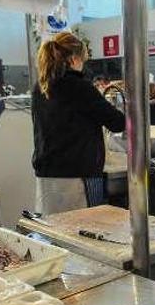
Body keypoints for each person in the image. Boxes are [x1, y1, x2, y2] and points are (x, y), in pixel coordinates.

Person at [31, 32, 125, 214]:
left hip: (46, 176)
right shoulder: (79, 87)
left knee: (53, 234)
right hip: (77, 177)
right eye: (83, 60)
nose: (83, 65)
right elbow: (117, 122)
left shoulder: (41, 87)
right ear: (74, 59)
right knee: (83, 231)